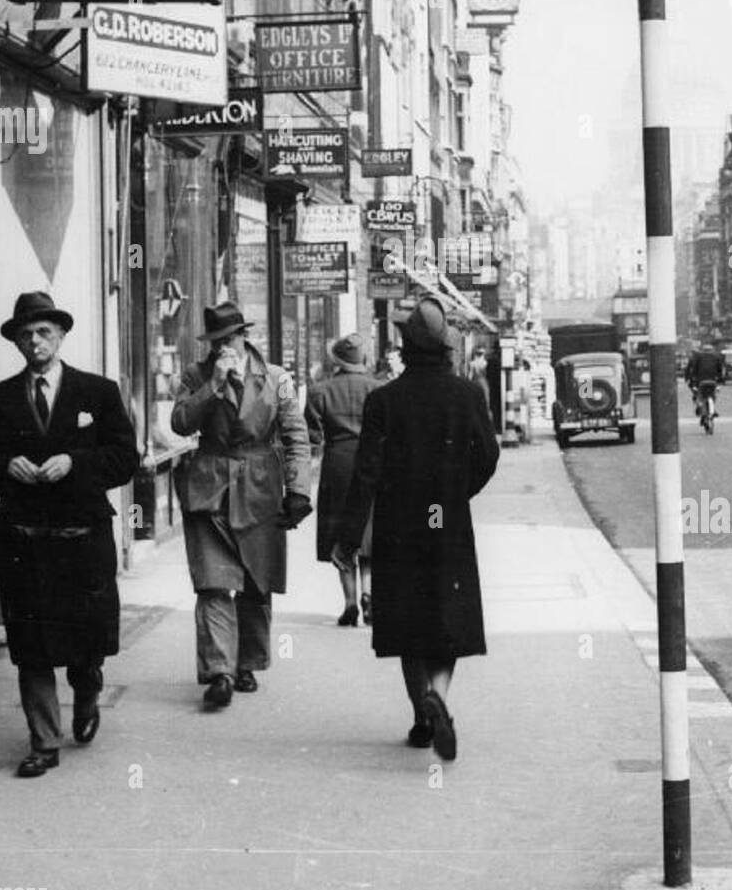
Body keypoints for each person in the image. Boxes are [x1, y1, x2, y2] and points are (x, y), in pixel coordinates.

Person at [0, 292, 138, 778]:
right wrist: (4, 466)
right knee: (30, 644)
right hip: (24, 544)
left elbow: (126, 459)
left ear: (60, 336)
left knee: (85, 640)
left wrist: (76, 462)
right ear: (16, 342)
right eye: (25, 334)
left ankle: (87, 691)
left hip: (82, 540)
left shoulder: (98, 393)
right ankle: (43, 741)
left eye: (43, 332)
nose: (34, 341)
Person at [332, 296, 499, 762]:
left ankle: (422, 718)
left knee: (407, 624)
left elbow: (365, 473)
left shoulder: (383, 400)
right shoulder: (467, 395)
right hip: (446, 522)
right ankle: (439, 697)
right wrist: (455, 492)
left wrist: (347, 540)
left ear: (404, 348)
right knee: (447, 618)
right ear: (446, 345)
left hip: (398, 525)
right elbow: (488, 456)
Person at [171, 302, 312, 710]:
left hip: (259, 484)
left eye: (228, 340)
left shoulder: (276, 378)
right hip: (209, 485)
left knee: (255, 580)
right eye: (214, 343)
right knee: (213, 582)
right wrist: (212, 386)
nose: (221, 349)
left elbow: (295, 435)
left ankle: (247, 661)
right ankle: (220, 672)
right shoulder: (195, 376)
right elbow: (180, 422)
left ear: (243, 336)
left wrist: (298, 490)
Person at [305, 333, 381, 627]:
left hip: (337, 465)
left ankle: (349, 601)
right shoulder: (379, 389)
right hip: (371, 465)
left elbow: (312, 436)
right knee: (369, 533)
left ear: (336, 361)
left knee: (341, 533)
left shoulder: (319, 392)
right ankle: (368, 593)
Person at [684, 341, 723, 418]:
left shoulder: (698, 357)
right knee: (713, 395)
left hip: (701, 382)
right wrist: (720, 381)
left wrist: (692, 381)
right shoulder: (716, 357)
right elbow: (720, 371)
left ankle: (700, 409)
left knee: (700, 396)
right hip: (712, 382)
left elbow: (692, 370)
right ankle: (713, 409)